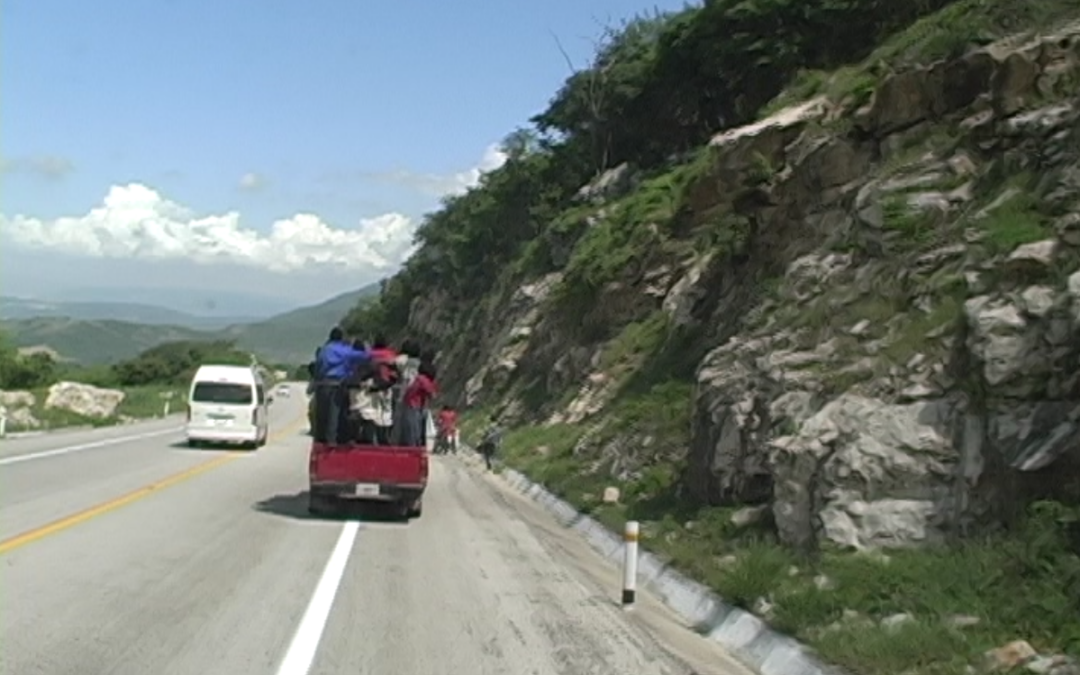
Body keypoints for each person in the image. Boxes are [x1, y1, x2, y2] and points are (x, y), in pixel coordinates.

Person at [312, 327, 371, 445]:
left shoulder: (324, 350)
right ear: (341, 338)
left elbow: (317, 368)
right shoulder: (344, 350)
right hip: (337, 385)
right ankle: (332, 441)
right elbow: (364, 356)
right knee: (335, 415)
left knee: (322, 414)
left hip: (322, 385)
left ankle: (321, 440)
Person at [398, 361, 437, 447]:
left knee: (409, 430)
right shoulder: (423, 379)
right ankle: (414, 449)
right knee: (414, 431)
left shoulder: (417, 378)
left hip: (409, 405)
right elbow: (433, 395)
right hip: (414, 407)